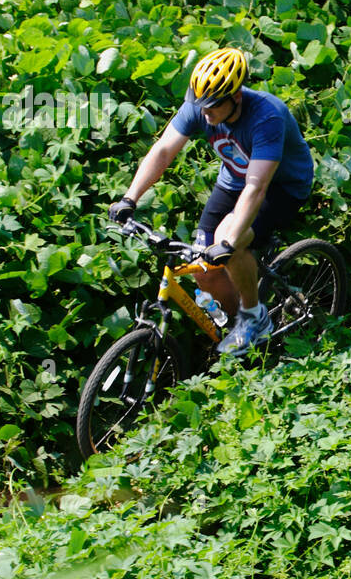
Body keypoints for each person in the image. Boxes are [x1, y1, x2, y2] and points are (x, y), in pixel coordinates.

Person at [107, 47, 314, 356]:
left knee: (229, 241)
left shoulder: (267, 116)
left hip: (281, 187)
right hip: (232, 181)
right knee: (203, 268)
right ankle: (245, 334)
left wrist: (229, 241)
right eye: (200, 105)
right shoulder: (201, 107)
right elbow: (163, 151)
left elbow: (257, 187)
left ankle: (255, 319)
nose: (205, 115)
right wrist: (129, 198)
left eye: (213, 107)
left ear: (237, 97)